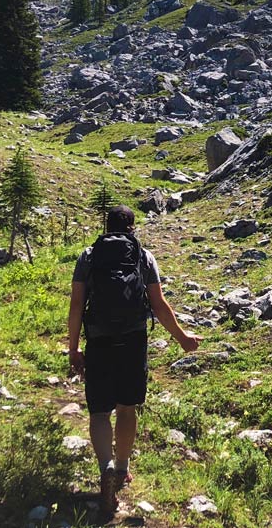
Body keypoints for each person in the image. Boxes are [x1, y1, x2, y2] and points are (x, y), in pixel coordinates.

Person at [67, 204, 200, 513]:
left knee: (100, 412)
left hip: (99, 340)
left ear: (106, 225)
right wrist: (182, 339)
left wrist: (73, 348)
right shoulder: (143, 256)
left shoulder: (88, 256)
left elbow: (76, 306)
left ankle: (106, 468)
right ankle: (123, 467)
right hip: (133, 339)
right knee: (127, 407)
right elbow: (158, 304)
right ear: (131, 227)